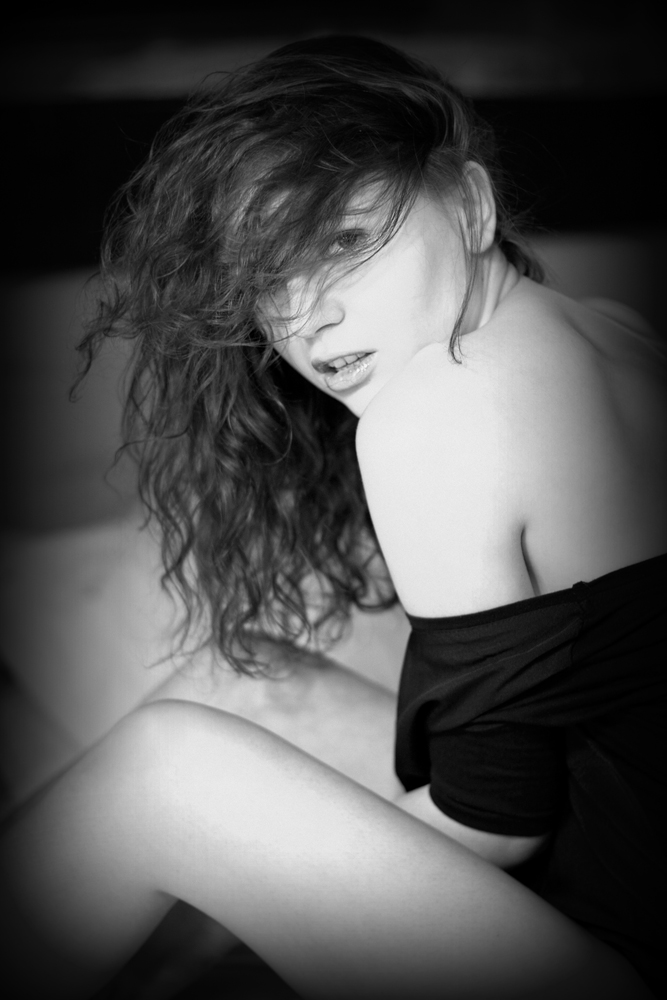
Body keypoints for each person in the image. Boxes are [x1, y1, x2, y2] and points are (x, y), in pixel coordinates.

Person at [1, 35, 664, 1000]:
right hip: (617, 858)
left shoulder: (432, 414)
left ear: (472, 205)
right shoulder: (618, 331)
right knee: (240, 682)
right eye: (266, 278)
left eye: (344, 243)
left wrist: (252, 882)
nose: (305, 317)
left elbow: (499, 824)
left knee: (164, 773)